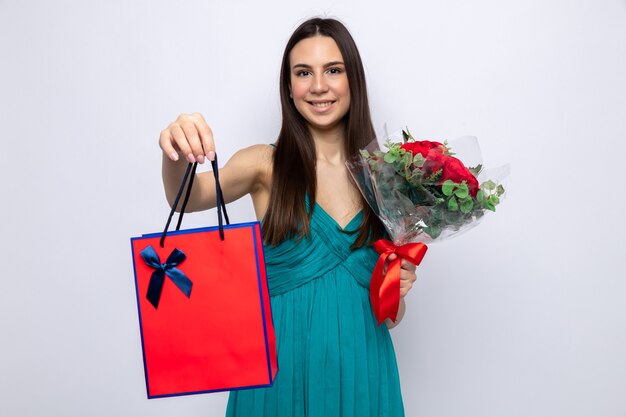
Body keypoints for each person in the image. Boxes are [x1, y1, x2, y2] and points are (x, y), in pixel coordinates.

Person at [158, 17, 417, 417]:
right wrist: (175, 144)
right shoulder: (265, 163)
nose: (318, 85)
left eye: (333, 70)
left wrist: (396, 288)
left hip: (363, 369)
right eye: (303, 73)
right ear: (289, 88)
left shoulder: (385, 176)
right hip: (279, 376)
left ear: (354, 81)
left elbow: (393, 318)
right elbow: (183, 198)